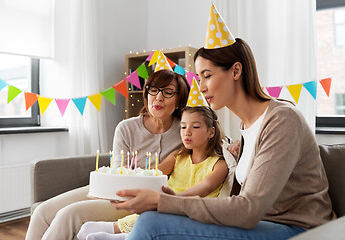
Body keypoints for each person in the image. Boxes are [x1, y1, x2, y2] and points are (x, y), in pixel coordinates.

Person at [110, 38, 336, 239]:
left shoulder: (281, 120)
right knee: (151, 219)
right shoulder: (246, 128)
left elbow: (248, 209)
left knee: (151, 224)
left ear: (236, 71)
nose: (201, 86)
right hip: (262, 223)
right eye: (198, 78)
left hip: (298, 228)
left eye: (207, 76)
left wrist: (166, 202)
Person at [25, 69, 190, 240]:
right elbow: (119, 174)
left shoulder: (186, 131)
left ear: (179, 100)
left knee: (68, 215)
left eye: (168, 92)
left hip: (136, 202)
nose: (158, 97)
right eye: (153, 90)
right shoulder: (126, 128)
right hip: (111, 190)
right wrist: (167, 164)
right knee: (42, 212)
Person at [77, 106, 229, 240]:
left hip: (192, 211)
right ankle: (118, 230)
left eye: (195, 127)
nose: (187, 132)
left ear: (211, 132)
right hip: (167, 205)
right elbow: (154, 174)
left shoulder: (219, 164)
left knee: (154, 217)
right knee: (148, 214)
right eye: (183, 127)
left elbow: (205, 187)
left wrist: (173, 200)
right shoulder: (178, 156)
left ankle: (120, 233)